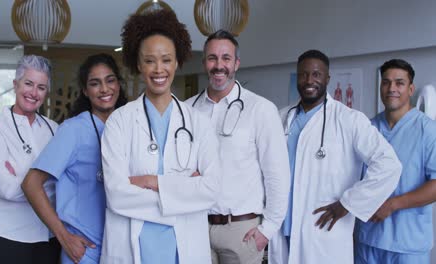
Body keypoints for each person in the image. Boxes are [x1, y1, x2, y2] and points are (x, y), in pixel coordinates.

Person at [99, 10, 221, 264]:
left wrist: (150, 181)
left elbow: (210, 190)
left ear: (177, 62)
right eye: (150, 61)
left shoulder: (198, 122)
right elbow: (116, 194)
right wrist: (184, 192)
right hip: (133, 247)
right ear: (139, 65)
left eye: (166, 60)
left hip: (184, 248)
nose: (159, 69)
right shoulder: (119, 122)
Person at [268, 49, 402, 264]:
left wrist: (349, 204)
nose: (309, 80)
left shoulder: (349, 120)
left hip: (321, 234)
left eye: (316, 74)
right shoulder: (281, 117)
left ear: (327, 78)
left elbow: (389, 165)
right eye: (303, 74)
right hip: (282, 228)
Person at [186, 29, 290, 264]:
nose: (219, 65)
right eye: (212, 58)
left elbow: (277, 174)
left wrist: (268, 228)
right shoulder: (187, 110)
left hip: (241, 230)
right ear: (204, 63)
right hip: (195, 226)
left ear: (237, 63)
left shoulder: (260, 109)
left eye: (226, 58)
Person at [21, 53, 128, 264]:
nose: (105, 89)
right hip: (84, 252)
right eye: (95, 83)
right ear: (85, 91)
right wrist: (64, 237)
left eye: (110, 80)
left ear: (118, 84)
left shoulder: (128, 126)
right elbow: (31, 184)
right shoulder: (73, 130)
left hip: (120, 247)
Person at [355, 59, 436, 264]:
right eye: (386, 82)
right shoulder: (368, 128)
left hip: (408, 244)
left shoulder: (428, 130)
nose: (392, 88)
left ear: (410, 89)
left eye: (399, 83)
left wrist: (392, 205)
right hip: (368, 240)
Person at [0, 55, 60, 264]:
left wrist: (24, 178)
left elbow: (63, 182)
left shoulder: (54, 129)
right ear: (15, 85)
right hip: (7, 236)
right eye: (28, 84)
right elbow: (5, 188)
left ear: (46, 92)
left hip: (48, 236)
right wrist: (47, 183)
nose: (34, 93)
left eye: (41, 87)